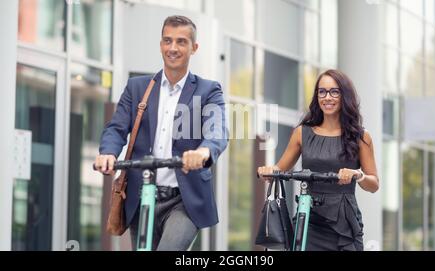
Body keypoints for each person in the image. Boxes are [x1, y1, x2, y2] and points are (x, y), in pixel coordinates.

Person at [94, 15, 227, 251]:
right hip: (140, 194)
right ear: (160, 44)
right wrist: (108, 153)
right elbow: (117, 127)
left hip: (183, 201)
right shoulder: (138, 87)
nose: (173, 48)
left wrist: (204, 151)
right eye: (167, 41)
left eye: (181, 42)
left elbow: (217, 129)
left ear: (194, 48)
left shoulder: (208, 90)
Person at [257, 69, 379, 251]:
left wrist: (358, 175)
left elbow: (374, 184)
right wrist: (267, 171)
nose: (327, 97)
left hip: (344, 224)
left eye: (334, 92)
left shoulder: (361, 137)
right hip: (309, 219)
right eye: (322, 91)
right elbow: (278, 170)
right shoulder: (302, 133)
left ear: (344, 95)